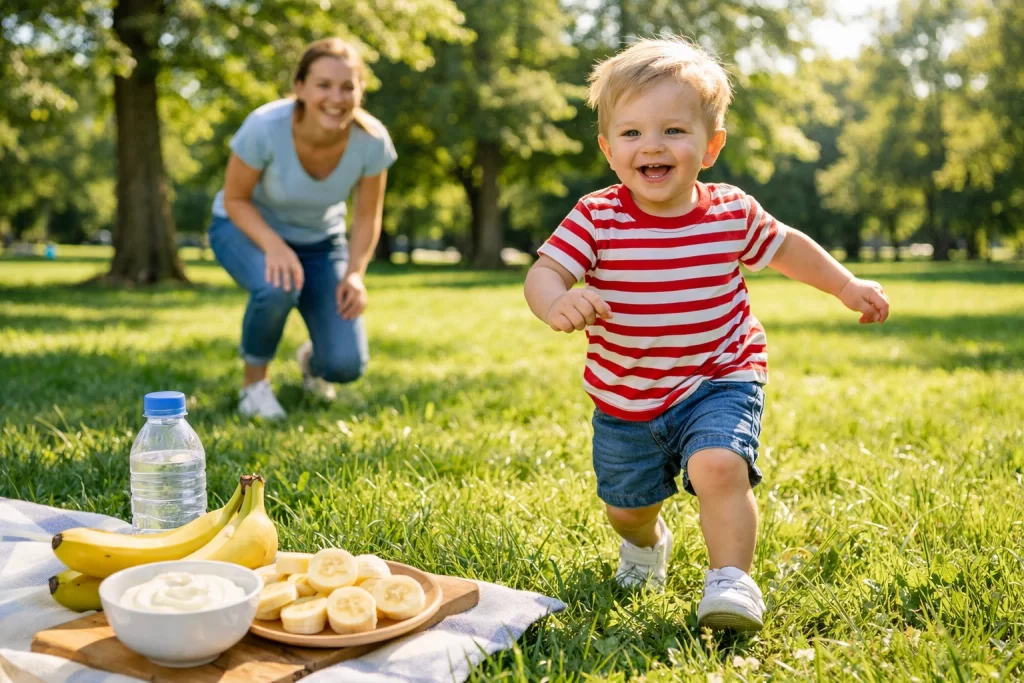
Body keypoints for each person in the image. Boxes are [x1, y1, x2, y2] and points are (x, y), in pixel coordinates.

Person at [523, 37, 890, 631]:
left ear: (710, 146)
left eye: (673, 130)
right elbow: (546, 270)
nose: (652, 146)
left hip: (719, 375)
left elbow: (789, 247)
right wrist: (556, 301)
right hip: (627, 397)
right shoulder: (597, 216)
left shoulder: (730, 212)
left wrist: (846, 286)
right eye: (632, 133)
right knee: (627, 508)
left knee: (720, 466)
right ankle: (646, 544)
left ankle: (731, 581)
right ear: (609, 149)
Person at [209, 38, 396, 419]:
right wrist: (274, 246)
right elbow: (236, 199)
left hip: (320, 242)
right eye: (323, 85)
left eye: (348, 86)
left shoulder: (372, 141)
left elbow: (365, 217)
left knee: (345, 366)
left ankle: (314, 362)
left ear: (361, 91)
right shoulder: (264, 127)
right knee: (278, 284)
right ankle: (254, 387)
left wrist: (355, 274)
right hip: (245, 229)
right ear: (300, 87)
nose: (336, 97)